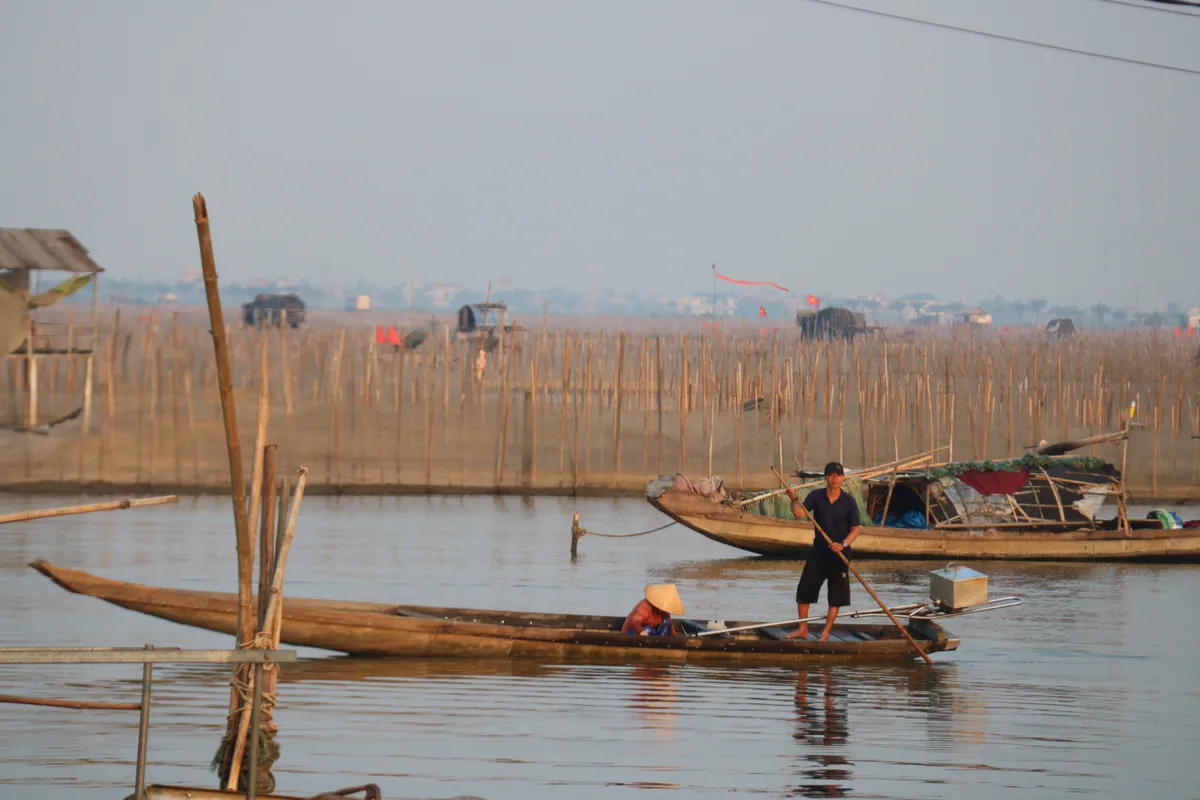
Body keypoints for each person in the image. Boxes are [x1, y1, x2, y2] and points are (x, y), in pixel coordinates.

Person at [786, 462, 861, 641]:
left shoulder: (849, 501)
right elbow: (798, 514)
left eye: (838, 475)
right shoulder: (816, 496)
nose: (834, 479)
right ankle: (803, 629)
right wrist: (793, 499)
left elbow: (856, 529)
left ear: (843, 478)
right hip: (818, 553)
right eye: (831, 475)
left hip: (839, 556)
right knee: (804, 592)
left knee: (836, 597)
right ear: (826, 478)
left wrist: (842, 544)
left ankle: (825, 633)